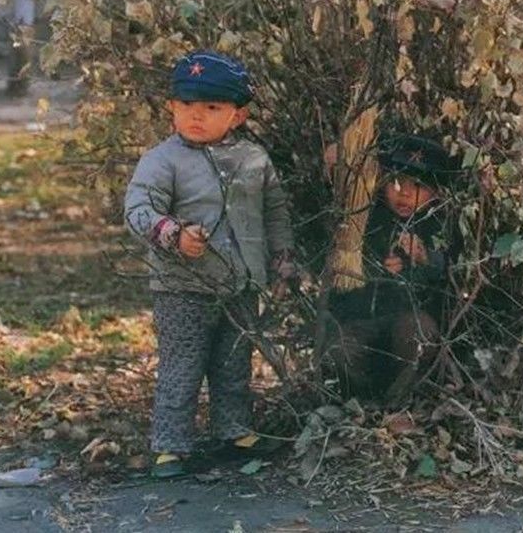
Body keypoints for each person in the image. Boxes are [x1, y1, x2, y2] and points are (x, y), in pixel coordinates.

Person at [125, 50, 294, 477]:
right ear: (171, 108)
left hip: (240, 283)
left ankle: (233, 431)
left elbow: (275, 213)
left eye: (212, 108)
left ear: (237, 115)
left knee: (234, 362)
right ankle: (170, 445)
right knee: (182, 365)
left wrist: (282, 260)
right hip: (182, 286)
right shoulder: (162, 161)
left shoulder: (254, 160)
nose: (196, 116)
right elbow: (137, 207)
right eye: (186, 106)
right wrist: (173, 234)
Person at [323, 134, 460, 402]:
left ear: (435, 194)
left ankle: (400, 403)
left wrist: (423, 259)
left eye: (418, 185)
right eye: (396, 182)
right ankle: (362, 405)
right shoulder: (366, 216)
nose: (405, 192)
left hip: (409, 321)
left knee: (417, 336)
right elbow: (326, 223)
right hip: (362, 317)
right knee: (341, 350)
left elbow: (452, 270)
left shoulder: (438, 225)